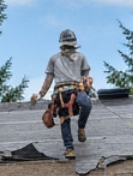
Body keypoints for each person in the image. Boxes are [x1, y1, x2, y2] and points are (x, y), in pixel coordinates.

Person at [32, 29, 93, 159]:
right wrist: (39, 94)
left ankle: (81, 127)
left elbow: (85, 76)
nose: (67, 49)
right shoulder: (54, 59)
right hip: (61, 92)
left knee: (86, 104)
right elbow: (48, 79)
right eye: (65, 46)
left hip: (77, 89)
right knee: (64, 118)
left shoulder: (81, 57)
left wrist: (86, 84)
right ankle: (69, 147)